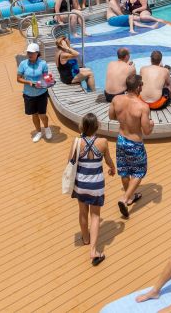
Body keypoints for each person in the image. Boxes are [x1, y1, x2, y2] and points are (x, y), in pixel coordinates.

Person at [69, 113, 115, 266]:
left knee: (83, 211)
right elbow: (108, 160)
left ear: (82, 126)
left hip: (81, 184)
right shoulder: (103, 142)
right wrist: (112, 168)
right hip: (96, 185)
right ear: (97, 126)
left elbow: (70, 161)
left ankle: (86, 238)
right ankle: (94, 250)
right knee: (95, 216)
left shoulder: (77, 142)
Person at [109, 74, 154, 218]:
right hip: (134, 143)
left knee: (124, 170)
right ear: (138, 87)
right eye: (142, 85)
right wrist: (151, 124)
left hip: (121, 140)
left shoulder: (116, 99)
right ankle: (125, 198)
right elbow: (146, 131)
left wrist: (124, 119)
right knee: (139, 172)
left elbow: (111, 116)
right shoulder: (143, 107)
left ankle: (130, 197)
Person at [16, 42, 52, 142]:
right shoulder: (23, 64)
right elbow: (18, 79)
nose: (30, 55)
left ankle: (47, 128)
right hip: (28, 95)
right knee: (34, 114)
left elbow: (46, 78)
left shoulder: (43, 64)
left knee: (42, 114)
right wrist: (28, 82)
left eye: (32, 53)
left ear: (37, 53)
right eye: (28, 52)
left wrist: (49, 78)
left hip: (41, 93)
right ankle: (39, 132)